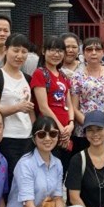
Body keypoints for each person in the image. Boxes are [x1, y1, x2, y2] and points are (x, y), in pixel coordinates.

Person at [0, 33, 35, 182]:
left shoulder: (27, 78)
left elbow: (31, 111)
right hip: (7, 138)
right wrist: (17, 108)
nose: (19, 55)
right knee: (9, 181)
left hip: (27, 138)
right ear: (6, 50)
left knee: (25, 181)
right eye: (16, 50)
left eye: (24, 51)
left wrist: (35, 132)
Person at [71, 37, 104, 151]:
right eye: (89, 49)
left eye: (97, 49)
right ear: (83, 53)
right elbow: (74, 107)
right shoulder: (77, 76)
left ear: (103, 52)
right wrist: (90, 126)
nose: (93, 52)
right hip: (85, 130)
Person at [31, 36, 75, 171]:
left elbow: (69, 103)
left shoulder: (63, 75)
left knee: (63, 170)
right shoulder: (40, 73)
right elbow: (43, 107)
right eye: (52, 50)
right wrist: (60, 129)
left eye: (60, 51)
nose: (56, 54)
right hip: (49, 131)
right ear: (44, 51)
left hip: (66, 131)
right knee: (49, 169)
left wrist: (71, 124)